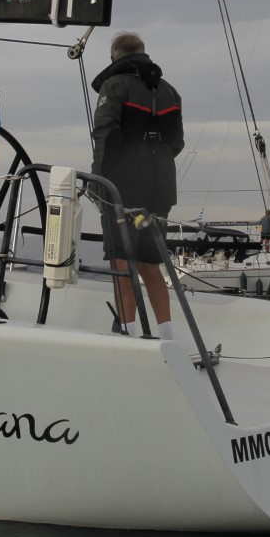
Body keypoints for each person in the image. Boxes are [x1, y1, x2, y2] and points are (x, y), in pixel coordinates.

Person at [90, 31, 183, 339]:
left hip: (124, 185)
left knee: (122, 261)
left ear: (114, 57)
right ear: (143, 53)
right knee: (150, 262)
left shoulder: (114, 86)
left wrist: (98, 180)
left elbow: (105, 136)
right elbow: (177, 143)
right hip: (162, 184)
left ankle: (126, 332)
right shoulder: (170, 91)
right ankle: (167, 336)